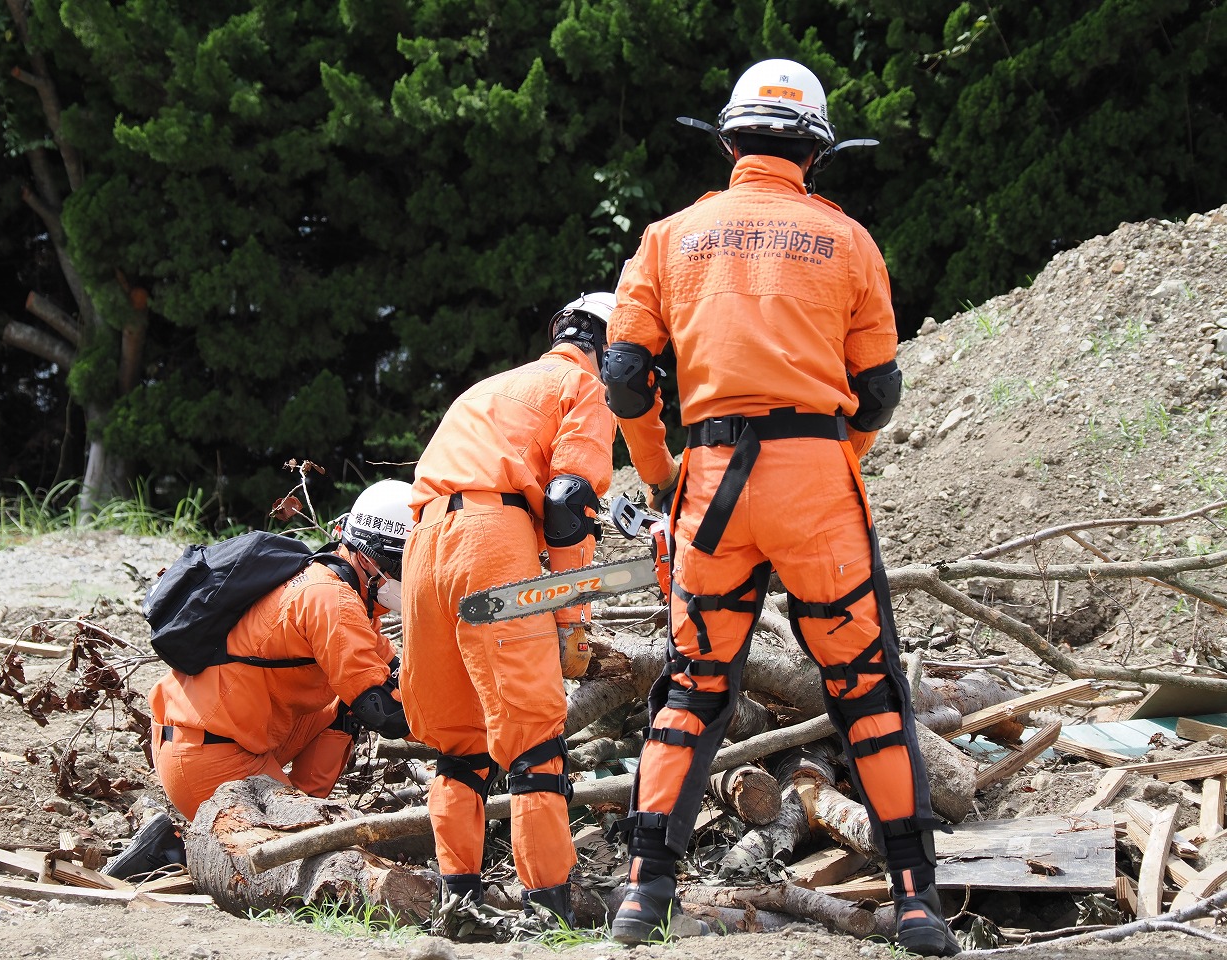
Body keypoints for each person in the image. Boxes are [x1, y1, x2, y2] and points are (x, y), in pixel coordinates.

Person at [601, 59, 959, 955]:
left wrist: (660, 474)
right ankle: (916, 902)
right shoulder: (848, 241)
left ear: (729, 142)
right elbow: (875, 394)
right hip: (815, 486)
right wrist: (830, 461)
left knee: (691, 690)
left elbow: (622, 377)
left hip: (711, 486)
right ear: (815, 150)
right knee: (871, 694)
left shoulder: (666, 238)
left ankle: (643, 896)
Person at [400, 293, 616, 927]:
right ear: (608, 346)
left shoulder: (488, 388)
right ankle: (549, 901)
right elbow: (567, 503)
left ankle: (456, 894)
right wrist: (572, 621)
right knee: (532, 733)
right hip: (491, 542)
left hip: (423, 547)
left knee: (459, 742)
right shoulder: (585, 387)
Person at [105, 480, 414, 879]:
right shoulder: (331, 600)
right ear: (373, 558)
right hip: (209, 755)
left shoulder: (339, 588)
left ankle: (301, 806)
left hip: (237, 737)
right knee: (296, 863)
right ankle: (176, 850)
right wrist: (466, 740)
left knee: (343, 708)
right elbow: (384, 710)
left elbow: (395, 676)